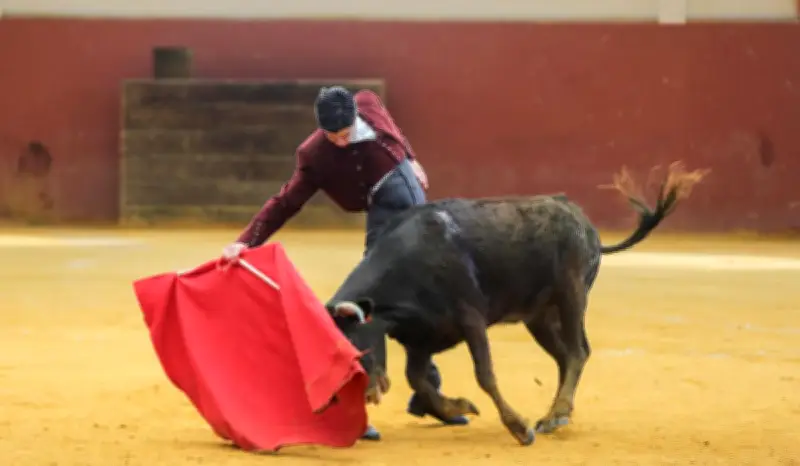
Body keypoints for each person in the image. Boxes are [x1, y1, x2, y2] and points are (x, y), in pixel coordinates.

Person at [221, 86, 469, 441]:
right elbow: (286, 201)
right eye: (332, 136)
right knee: (371, 302)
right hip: (385, 217)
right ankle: (372, 399)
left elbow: (392, 129)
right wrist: (245, 241)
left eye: (346, 133)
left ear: (356, 115)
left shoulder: (368, 103)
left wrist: (410, 158)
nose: (340, 141)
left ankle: (423, 391)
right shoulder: (314, 154)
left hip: (417, 215)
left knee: (411, 303)